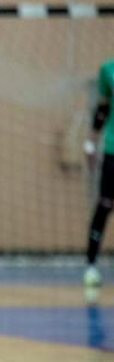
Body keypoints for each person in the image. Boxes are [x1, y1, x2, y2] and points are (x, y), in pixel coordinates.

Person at [83, 57, 114, 303]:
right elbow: (103, 108)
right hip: (113, 150)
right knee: (105, 204)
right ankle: (91, 265)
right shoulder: (107, 70)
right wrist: (91, 141)